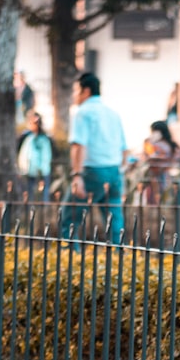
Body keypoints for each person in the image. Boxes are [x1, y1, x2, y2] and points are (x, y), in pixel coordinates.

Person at [62, 72, 130, 245]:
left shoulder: (83, 112)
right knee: (115, 222)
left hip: (92, 170)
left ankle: (71, 260)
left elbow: (79, 145)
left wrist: (77, 175)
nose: (74, 95)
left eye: (76, 91)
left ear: (86, 91)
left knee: (69, 219)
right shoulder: (113, 113)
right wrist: (120, 171)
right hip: (114, 170)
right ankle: (119, 259)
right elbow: (124, 149)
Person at [140, 120, 180, 205]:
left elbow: (177, 159)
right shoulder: (149, 143)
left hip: (166, 176)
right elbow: (146, 157)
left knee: (166, 201)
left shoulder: (172, 145)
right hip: (154, 177)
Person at [17, 110, 53, 201]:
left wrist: (41, 171)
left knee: (42, 196)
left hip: (41, 172)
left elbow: (46, 156)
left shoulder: (44, 138)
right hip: (27, 171)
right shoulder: (27, 137)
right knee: (28, 196)